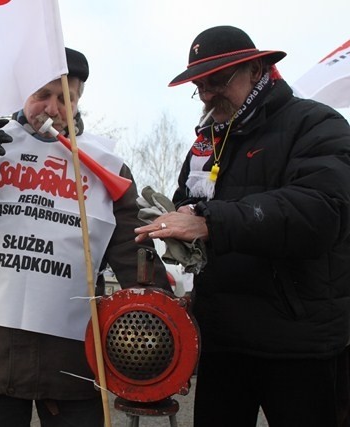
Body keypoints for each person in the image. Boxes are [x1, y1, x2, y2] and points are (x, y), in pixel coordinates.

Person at [0, 47, 171, 427]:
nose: (53, 109)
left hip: (74, 359)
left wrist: (166, 324)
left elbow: (134, 254)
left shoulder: (105, 165)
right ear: (24, 93)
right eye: (43, 95)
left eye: (66, 98)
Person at [135, 25, 350, 427]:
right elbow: (190, 207)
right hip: (223, 341)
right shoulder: (207, 142)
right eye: (199, 85)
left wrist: (209, 223)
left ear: (256, 69)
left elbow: (321, 212)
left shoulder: (316, 123)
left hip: (299, 347)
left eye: (217, 81)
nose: (206, 94)